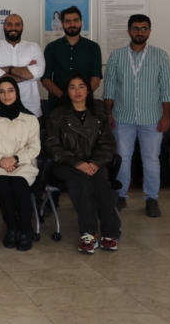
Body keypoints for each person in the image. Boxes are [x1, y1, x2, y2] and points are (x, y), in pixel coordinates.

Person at [103, 14, 170, 217]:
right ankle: (120, 196)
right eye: (135, 28)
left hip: (152, 118)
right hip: (122, 118)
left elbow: (167, 89)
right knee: (123, 158)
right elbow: (109, 89)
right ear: (128, 31)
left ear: (149, 31)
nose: (140, 32)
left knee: (151, 160)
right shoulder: (116, 56)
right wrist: (108, 114)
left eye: (144, 28)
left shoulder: (160, 56)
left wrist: (166, 116)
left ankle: (151, 199)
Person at [45, 74, 121, 253]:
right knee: (82, 179)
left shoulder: (100, 115)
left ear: (88, 91)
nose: (77, 91)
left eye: (81, 86)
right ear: (67, 92)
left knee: (100, 181)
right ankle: (88, 233)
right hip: (66, 165)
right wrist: (76, 162)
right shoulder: (57, 116)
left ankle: (110, 232)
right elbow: (53, 145)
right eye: (72, 87)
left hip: (95, 163)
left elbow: (108, 144)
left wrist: (95, 162)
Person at [0, 77, 40, 251]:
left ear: (17, 92)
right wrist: (1, 161)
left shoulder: (30, 118)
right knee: (2, 185)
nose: (6, 95)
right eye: (2, 91)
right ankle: (12, 228)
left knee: (19, 185)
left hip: (22, 164)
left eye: (10, 90)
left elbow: (34, 147)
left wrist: (15, 159)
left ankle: (25, 229)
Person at [42, 6, 102, 112]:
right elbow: (46, 79)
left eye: (76, 20)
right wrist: (64, 97)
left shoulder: (93, 48)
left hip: (85, 106)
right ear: (62, 24)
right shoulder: (51, 48)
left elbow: (96, 79)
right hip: (57, 105)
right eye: (68, 21)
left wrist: (80, 97)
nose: (72, 24)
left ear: (81, 23)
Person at [0, 15, 45, 119]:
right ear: (4, 26)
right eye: (9, 24)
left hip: (30, 109)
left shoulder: (33, 47)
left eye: (17, 24)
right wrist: (25, 75)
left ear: (22, 27)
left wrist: (8, 69)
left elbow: (39, 71)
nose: (13, 28)